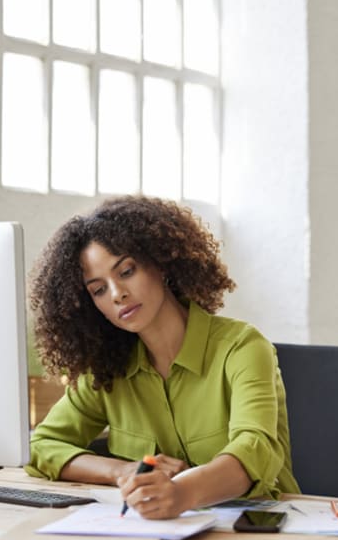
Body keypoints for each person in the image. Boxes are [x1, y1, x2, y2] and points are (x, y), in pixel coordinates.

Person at [25, 195, 300, 519]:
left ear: (160, 262)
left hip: (263, 529)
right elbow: (42, 446)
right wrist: (122, 471)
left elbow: (255, 450)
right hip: (158, 532)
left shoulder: (242, 347)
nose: (117, 294)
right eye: (98, 290)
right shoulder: (106, 370)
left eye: (126, 270)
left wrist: (181, 493)